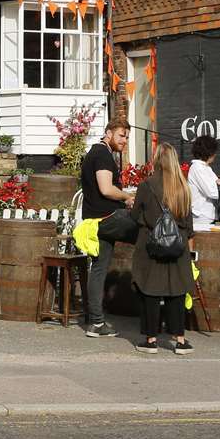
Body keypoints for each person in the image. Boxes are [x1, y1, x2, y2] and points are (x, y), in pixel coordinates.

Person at [128, 142, 196, 354]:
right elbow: (189, 224)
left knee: (150, 290)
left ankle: (150, 340)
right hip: (178, 246)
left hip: (152, 245)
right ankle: (180, 340)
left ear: (156, 160)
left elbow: (134, 216)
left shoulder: (147, 185)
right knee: (176, 291)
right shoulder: (183, 187)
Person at [80, 117, 137, 339]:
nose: (124, 141)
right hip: (108, 217)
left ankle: (96, 323)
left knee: (99, 268)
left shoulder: (95, 153)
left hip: (94, 220)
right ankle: (156, 310)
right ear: (109, 133)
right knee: (149, 235)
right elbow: (106, 189)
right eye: (122, 135)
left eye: (127, 137)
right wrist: (128, 197)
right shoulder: (102, 154)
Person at [187, 134, 220, 231]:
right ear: (208, 152)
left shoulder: (206, 168)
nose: (215, 154)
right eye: (214, 151)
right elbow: (211, 192)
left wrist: (219, 182)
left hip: (207, 214)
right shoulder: (197, 168)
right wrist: (218, 184)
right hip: (201, 216)